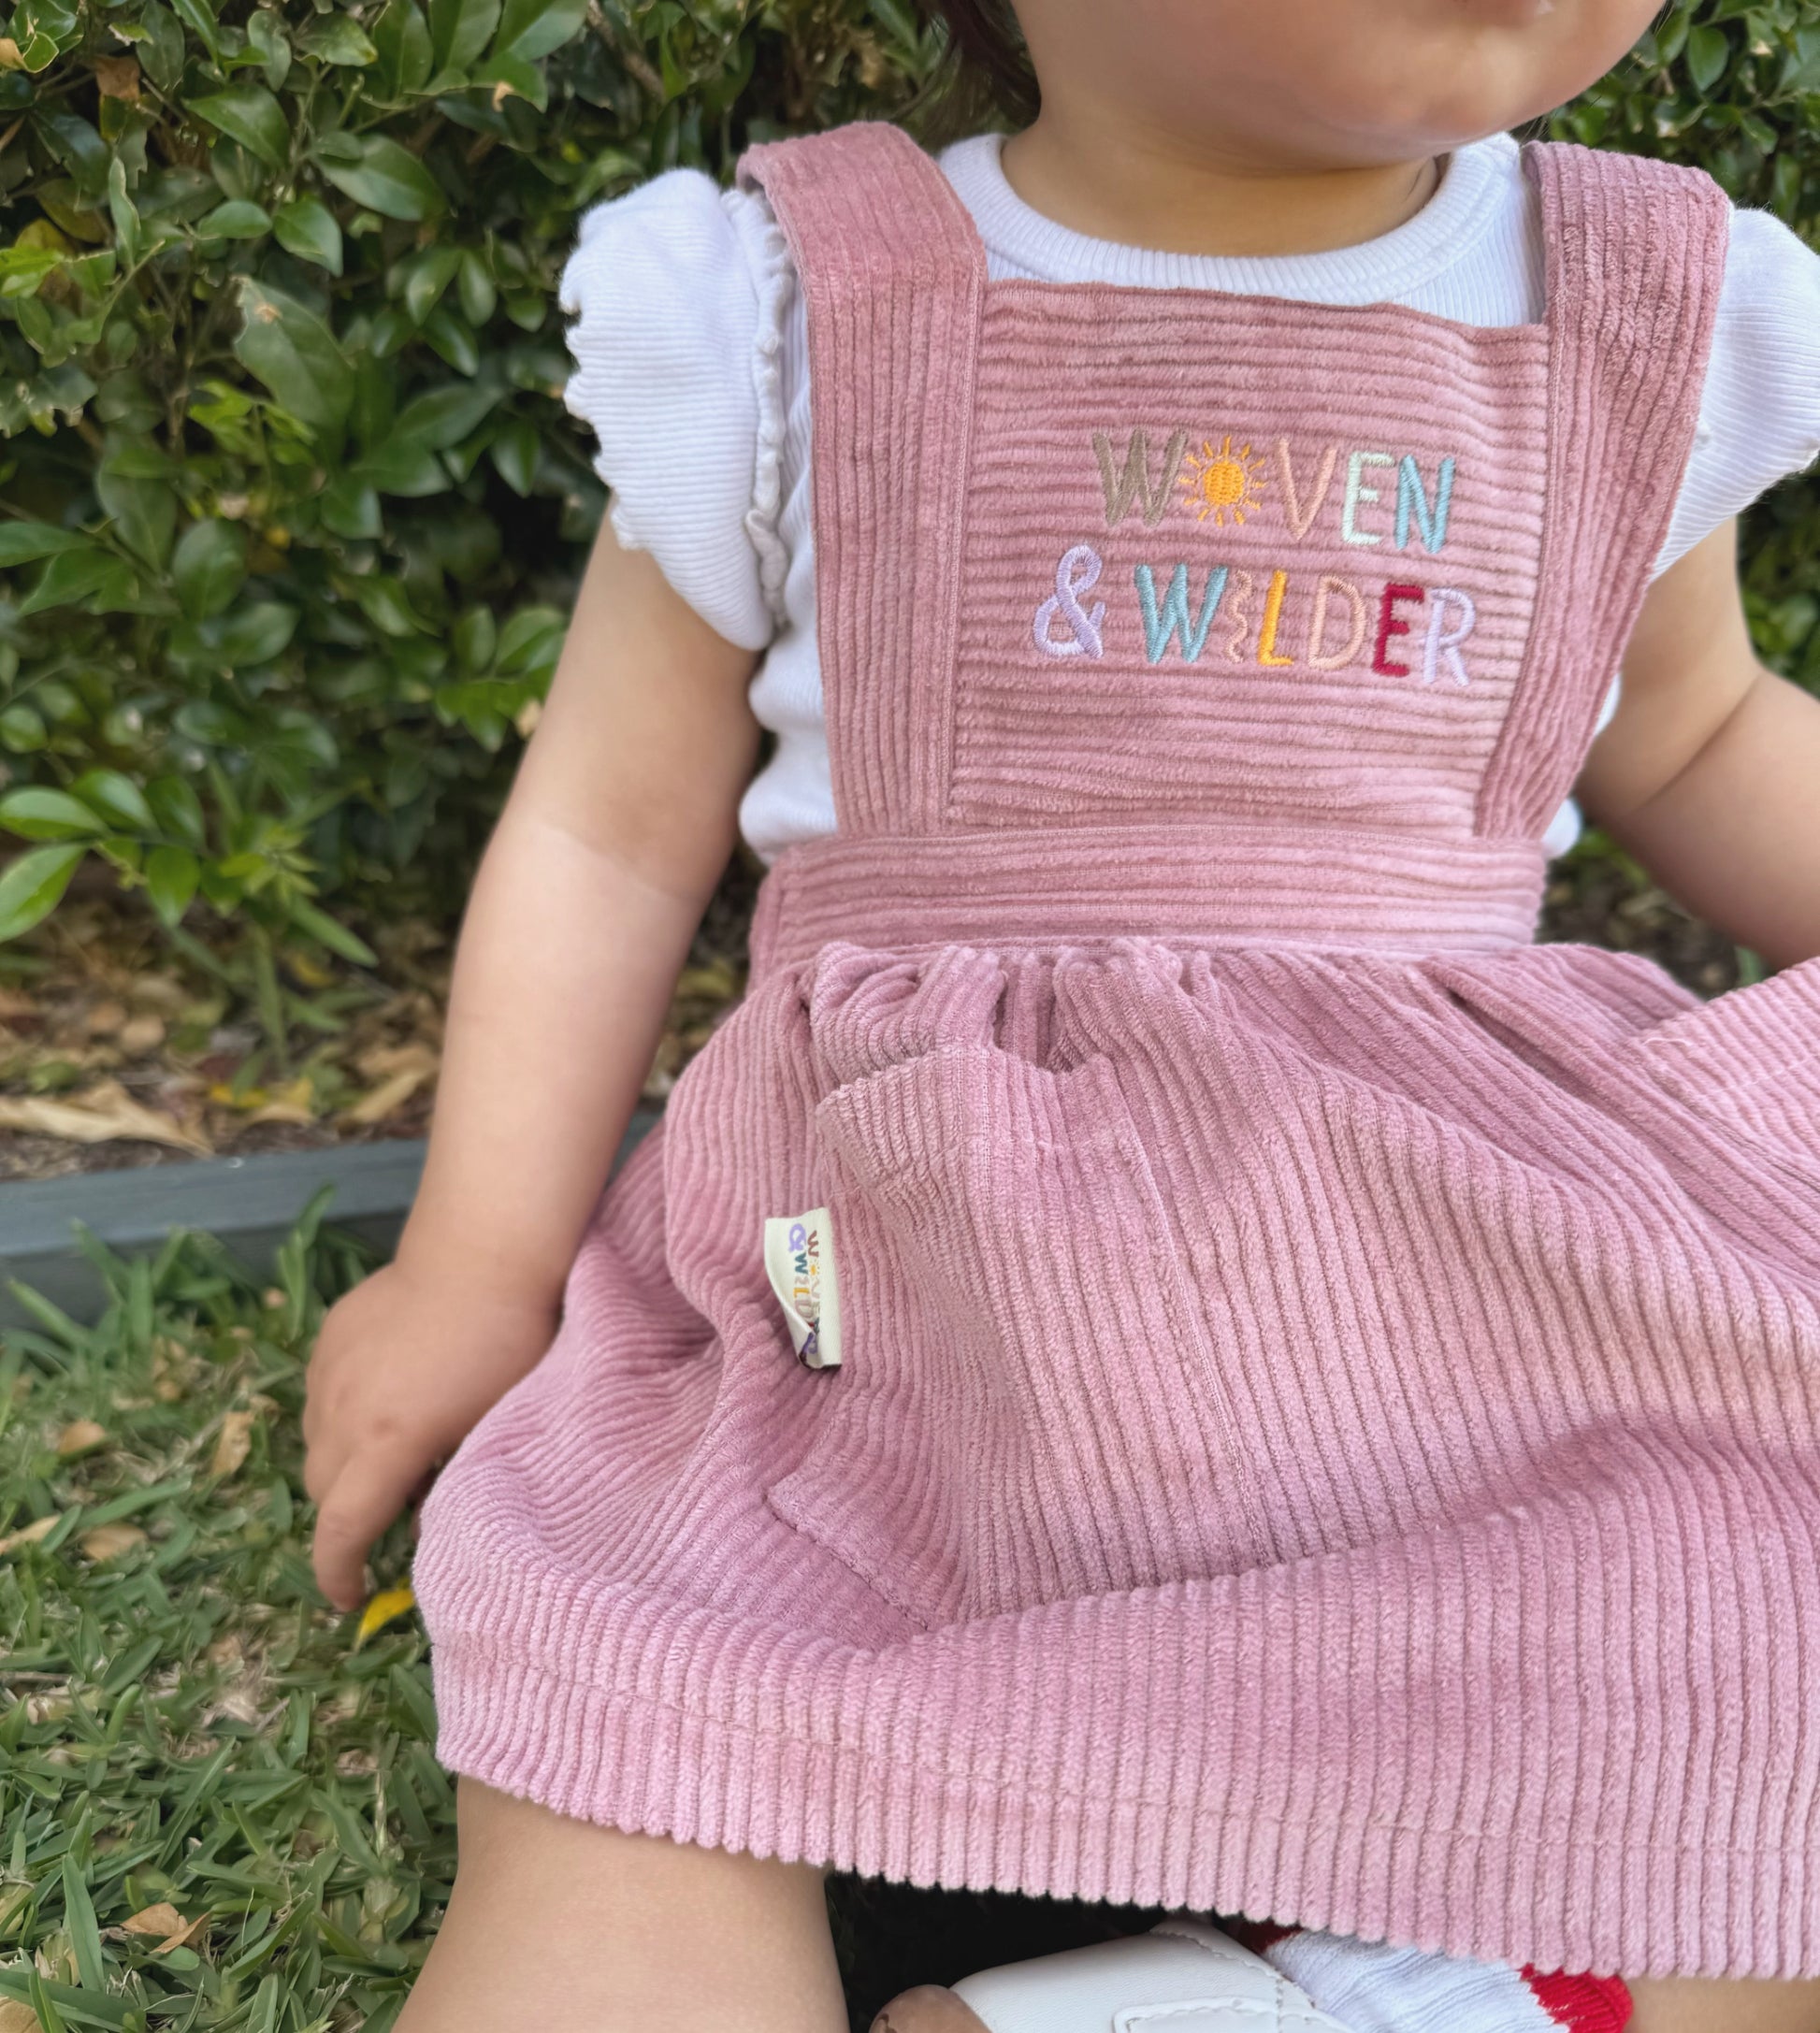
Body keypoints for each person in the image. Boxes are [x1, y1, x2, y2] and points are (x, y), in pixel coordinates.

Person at [299, 2, 1820, 2028]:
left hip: (1435, 1235)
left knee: (1726, 1585)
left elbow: (1697, 724)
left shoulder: (1639, 297)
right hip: (925, 1239)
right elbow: (605, 832)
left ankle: (1349, 1990)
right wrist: (472, 1267)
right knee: (649, 1660)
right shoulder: (796, 302)